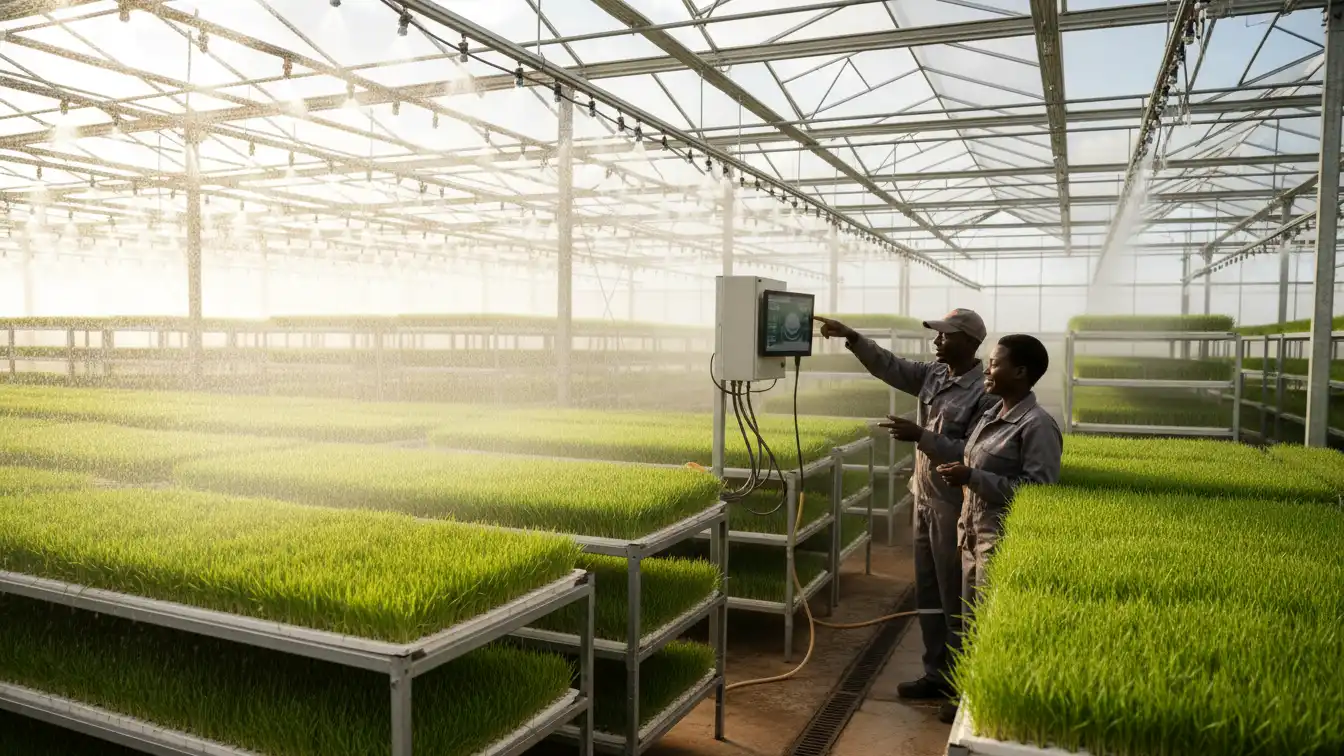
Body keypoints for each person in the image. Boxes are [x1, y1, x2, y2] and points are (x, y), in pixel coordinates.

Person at [814, 310, 997, 713]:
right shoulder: (934, 375)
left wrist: (922, 437)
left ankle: (960, 684)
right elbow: (891, 367)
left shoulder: (986, 393)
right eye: (937, 336)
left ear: (970, 342)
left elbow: (973, 453)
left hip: (955, 505)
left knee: (956, 597)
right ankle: (935, 672)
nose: (937, 342)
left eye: (946, 336)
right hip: (924, 496)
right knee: (928, 592)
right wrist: (853, 337)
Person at [932, 334, 1063, 723]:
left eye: (994, 363)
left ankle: (984, 707)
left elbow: (1038, 492)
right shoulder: (992, 414)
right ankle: (971, 696)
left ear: (1020, 372)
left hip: (1000, 540)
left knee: (991, 626)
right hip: (971, 533)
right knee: (971, 622)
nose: (987, 369)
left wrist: (972, 476)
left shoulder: (1037, 426)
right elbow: (968, 456)